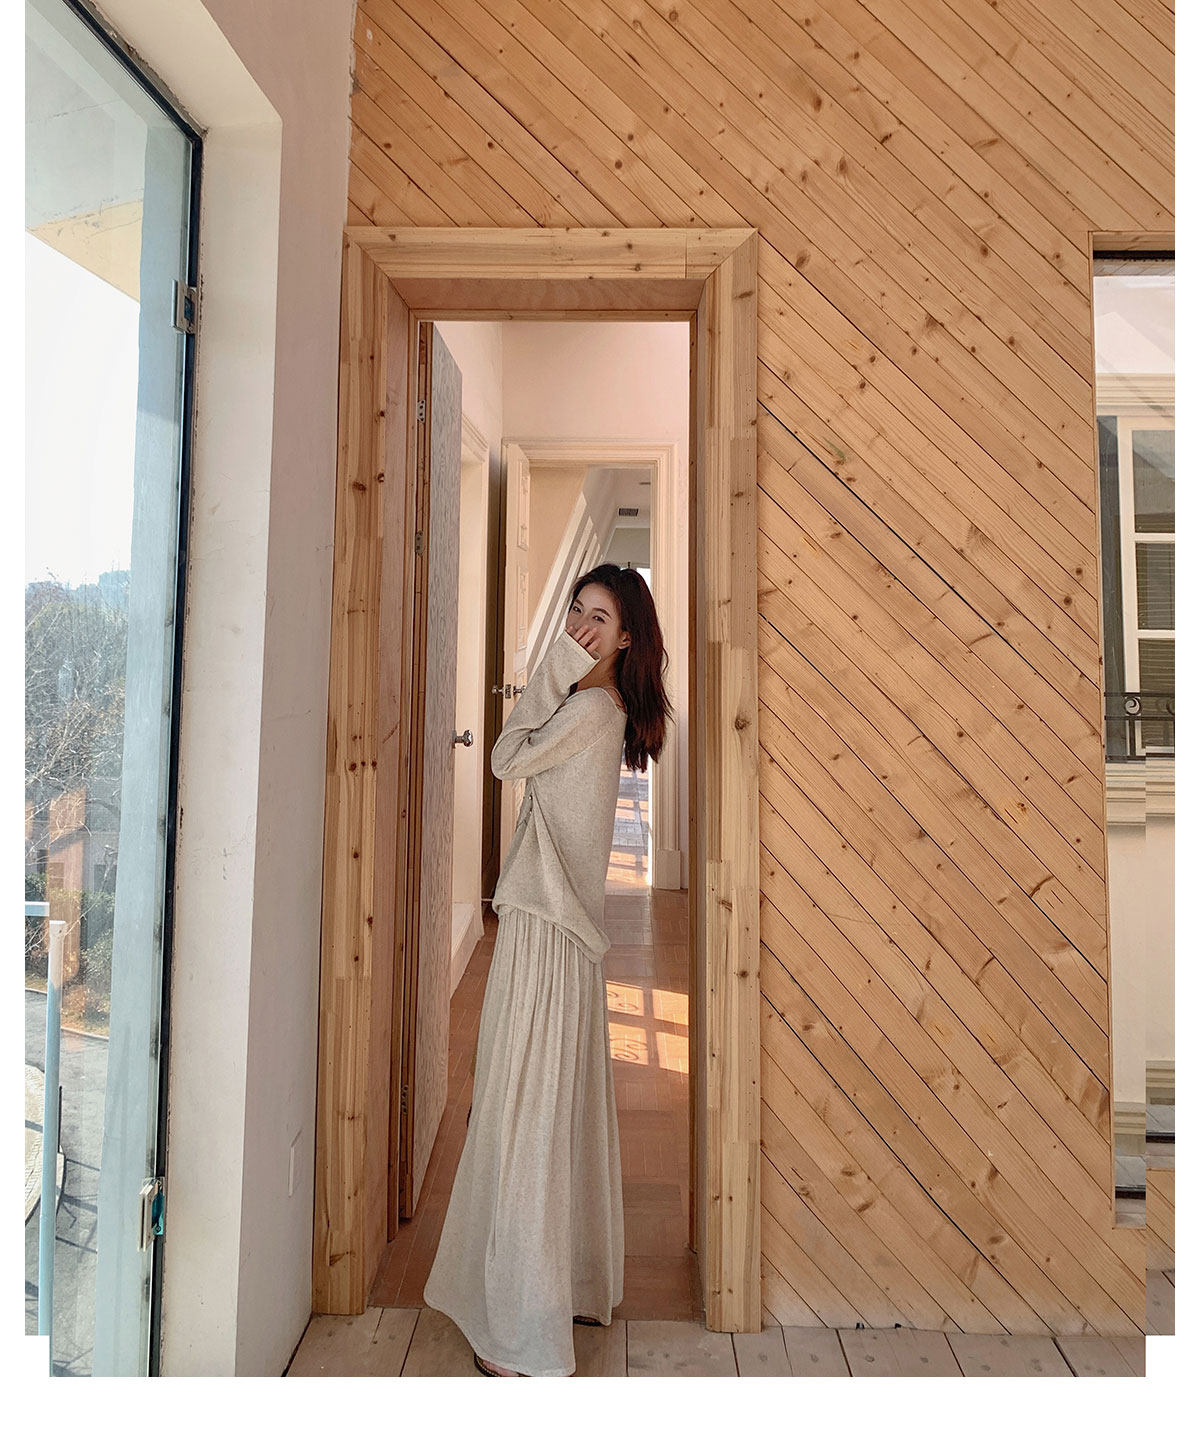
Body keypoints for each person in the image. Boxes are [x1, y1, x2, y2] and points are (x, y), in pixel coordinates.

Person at [423, 563, 673, 1377]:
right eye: (575, 611)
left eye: (599, 619)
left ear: (626, 637)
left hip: (546, 925)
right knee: (547, 1105)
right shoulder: (595, 708)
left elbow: (504, 758)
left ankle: (521, 1333)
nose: (581, 628)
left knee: (524, 1109)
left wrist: (552, 669)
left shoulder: (591, 710)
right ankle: (560, 1289)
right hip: (556, 924)